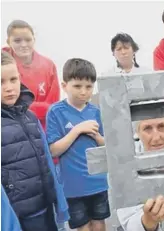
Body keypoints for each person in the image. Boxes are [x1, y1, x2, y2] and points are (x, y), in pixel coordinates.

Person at [1, 50, 69, 231]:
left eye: (13, 80)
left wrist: (58, 201)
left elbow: (47, 160)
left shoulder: (30, 117)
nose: (9, 87)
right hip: (18, 216)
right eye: (1, 82)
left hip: (45, 206)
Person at [46, 58, 110, 231]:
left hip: (98, 183)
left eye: (89, 87)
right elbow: (53, 150)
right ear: (64, 85)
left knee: (99, 225)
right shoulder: (55, 112)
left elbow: (108, 146)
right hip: (73, 186)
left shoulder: (96, 112)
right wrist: (77, 130)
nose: (83, 92)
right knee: (83, 227)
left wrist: (97, 136)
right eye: (77, 86)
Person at [2, 20, 60, 131]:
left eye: (28, 40)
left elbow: (52, 107)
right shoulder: (3, 65)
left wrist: (25, 107)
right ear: (8, 42)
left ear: (34, 39)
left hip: (42, 130)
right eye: (17, 41)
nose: (23, 45)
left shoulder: (48, 66)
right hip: (9, 129)